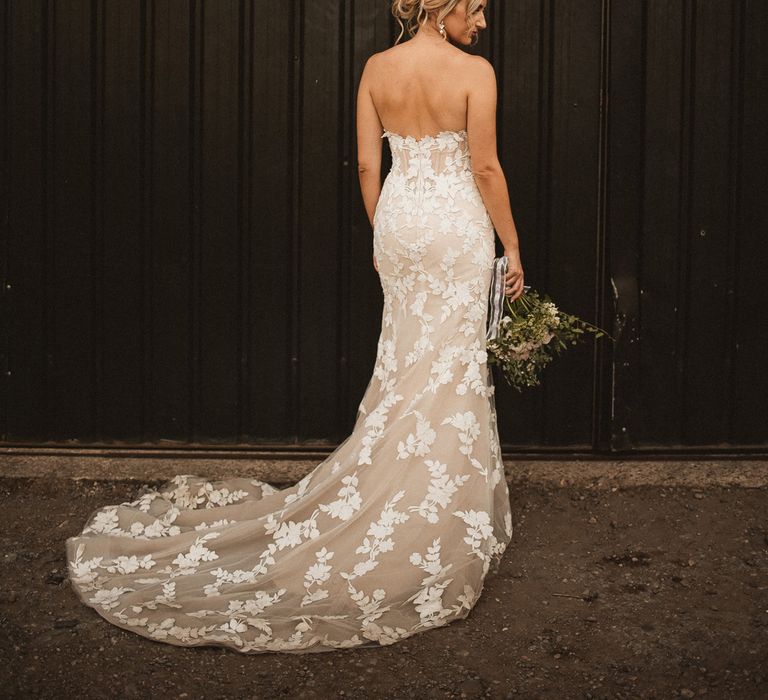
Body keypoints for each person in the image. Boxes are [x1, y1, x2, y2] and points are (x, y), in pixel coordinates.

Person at [64, 0, 524, 654]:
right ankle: (436, 518)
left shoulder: (375, 69)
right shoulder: (475, 73)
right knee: (447, 362)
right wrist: (512, 246)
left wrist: (384, 232)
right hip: (455, 229)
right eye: (476, 9)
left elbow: (369, 168)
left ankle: (401, 496)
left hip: (401, 224)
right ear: (442, 5)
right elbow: (485, 168)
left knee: (405, 359)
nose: (482, 23)